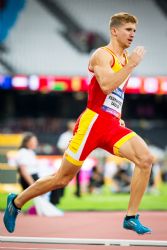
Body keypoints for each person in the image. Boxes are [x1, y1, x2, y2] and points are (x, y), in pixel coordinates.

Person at [3, 12, 154, 235]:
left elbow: (115, 96)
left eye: (134, 31)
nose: (132, 34)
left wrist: (117, 113)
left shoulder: (125, 58)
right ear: (114, 31)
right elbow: (105, 86)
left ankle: (131, 217)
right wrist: (131, 65)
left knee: (145, 159)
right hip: (91, 124)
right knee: (61, 179)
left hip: (111, 124)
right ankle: (16, 202)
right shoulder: (102, 55)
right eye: (128, 30)